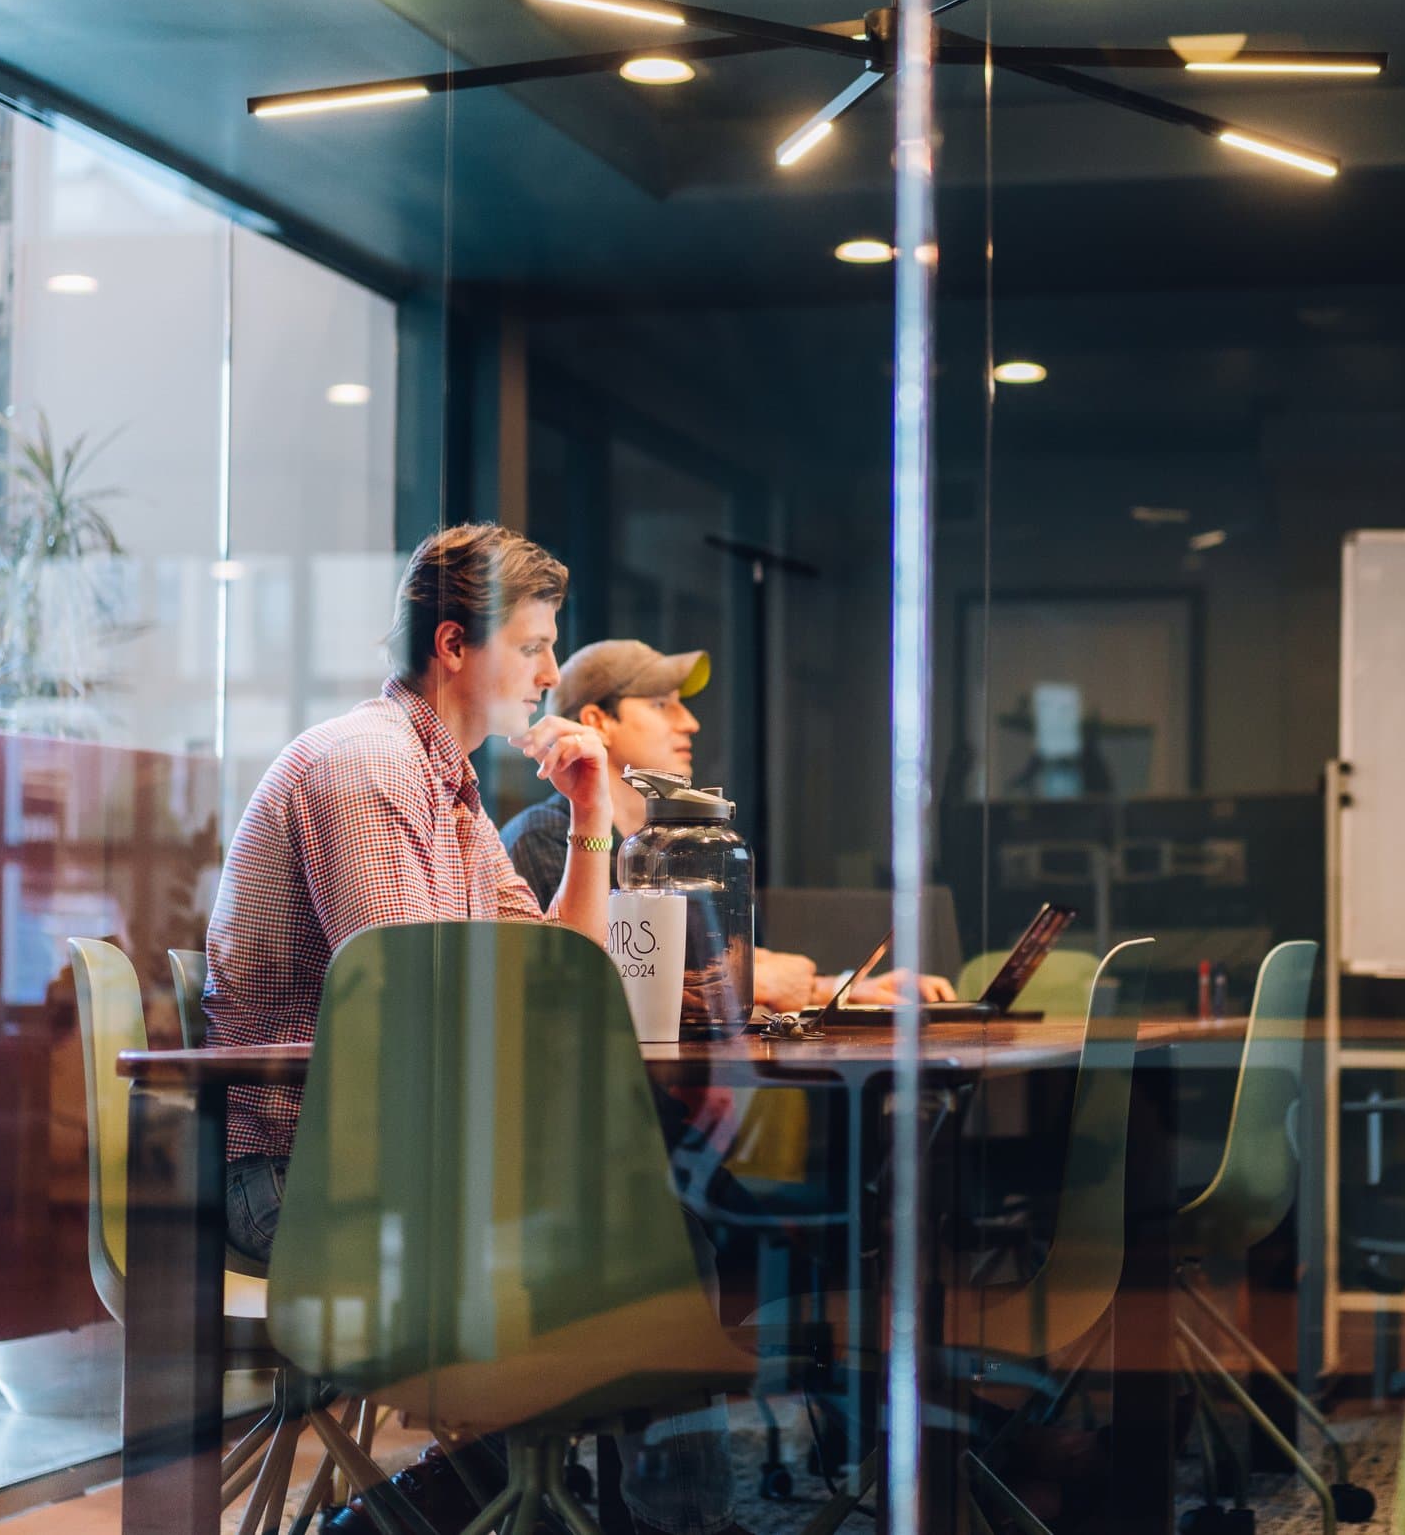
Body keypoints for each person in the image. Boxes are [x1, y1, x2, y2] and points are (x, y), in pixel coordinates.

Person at [202, 525, 745, 1535]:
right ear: (454, 644)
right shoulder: (365, 767)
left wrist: (589, 815)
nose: (547, 672)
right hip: (302, 1182)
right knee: (653, 1242)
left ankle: (512, 1505)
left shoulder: (448, 791)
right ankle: (595, 1516)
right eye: (533, 645)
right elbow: (415, 1018)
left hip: (385, 1163)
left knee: (663, 1229)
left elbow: (558, 977)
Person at [499, 638, 955, 1010]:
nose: (691, 723)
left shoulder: (679, 846)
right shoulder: (545, 838)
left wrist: (841, 988)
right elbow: (599, 980)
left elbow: (726, 965)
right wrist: (752, 980)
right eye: (661, 705)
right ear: (598, 721)